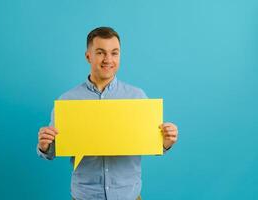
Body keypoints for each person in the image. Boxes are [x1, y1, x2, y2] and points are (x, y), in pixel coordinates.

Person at [37, 27, 178, 200]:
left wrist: (165, 142)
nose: (108, 59)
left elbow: (152, 145)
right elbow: (51, 151)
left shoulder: (137, 97)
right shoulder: (67, 101)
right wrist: (45, 145)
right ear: (88, 56)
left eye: (114, 53)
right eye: (100, 52)